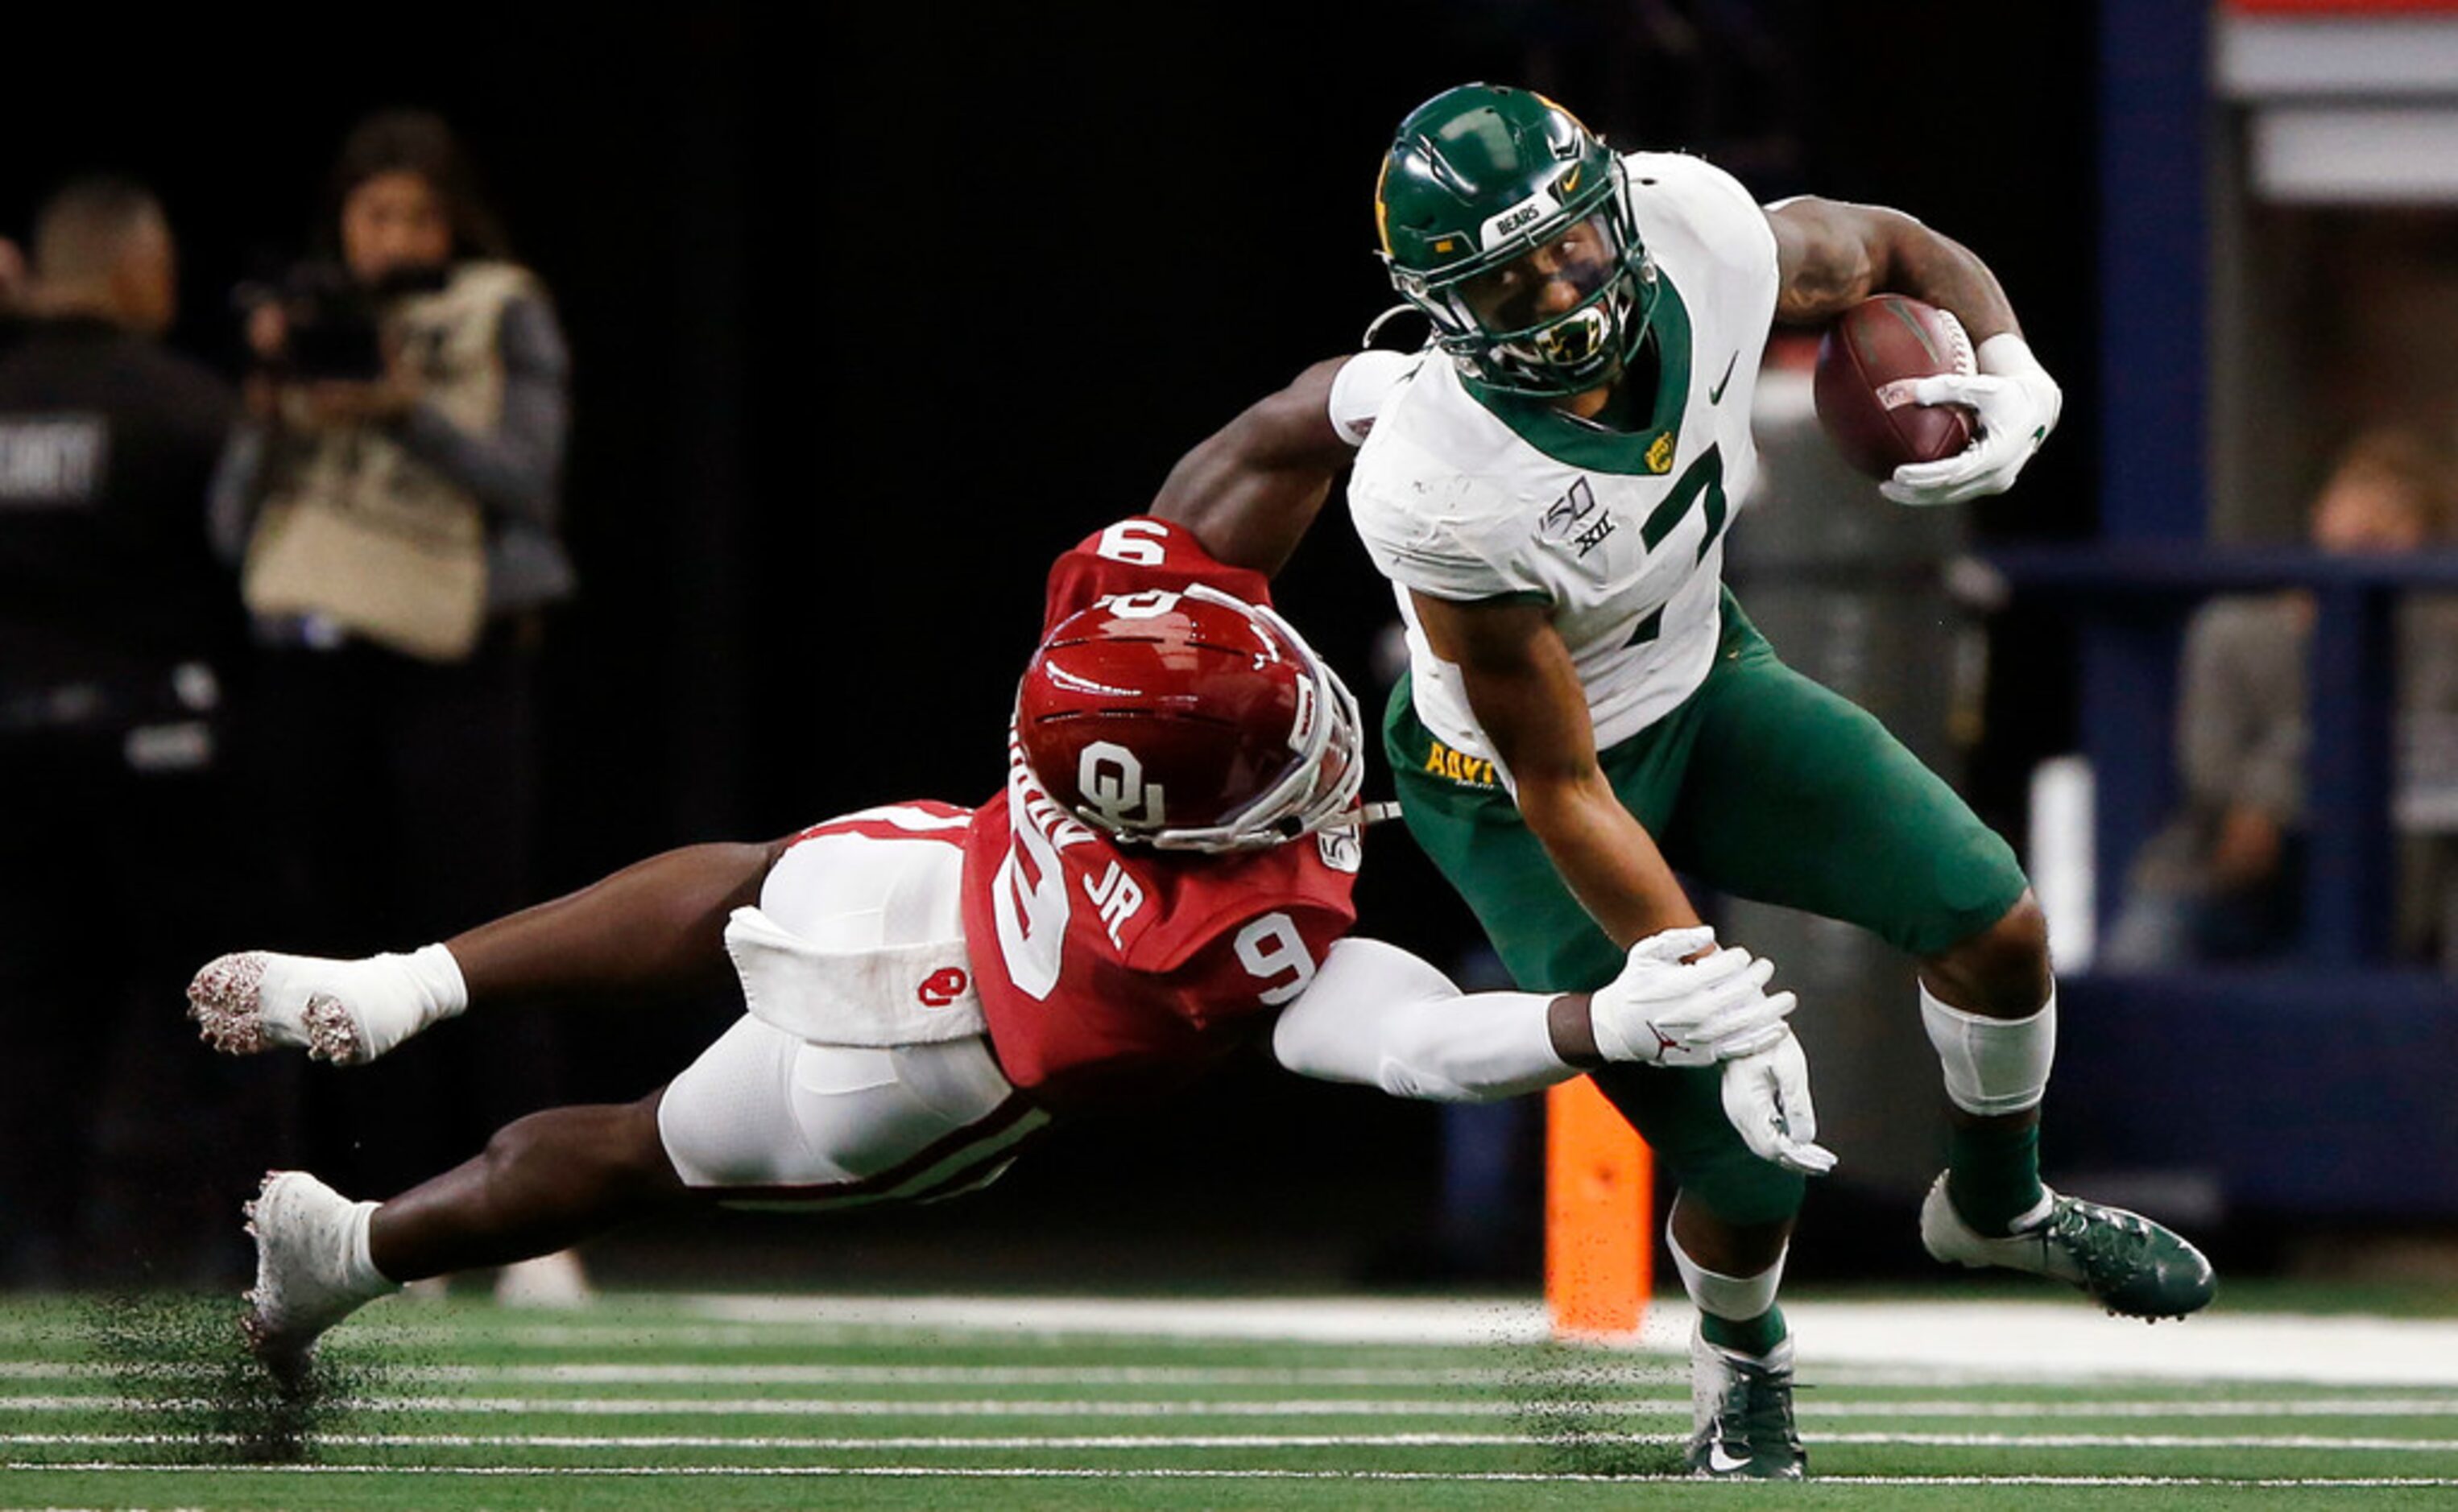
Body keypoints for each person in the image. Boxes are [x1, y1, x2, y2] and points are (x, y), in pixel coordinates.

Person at [1157, 83, 2215, 1480]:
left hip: (1705, 673)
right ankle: (1742, 1368)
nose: (1556, 294)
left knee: (1991, 919)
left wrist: (2014, 363)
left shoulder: (1700, 230)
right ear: (1434, 305)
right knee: (1741, 1154)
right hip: (1519, 787)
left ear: (1615, 210)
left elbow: (1894, 250)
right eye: (1506, 279)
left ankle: (1993, 1206)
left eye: (1572, 249)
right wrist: (1688, 968)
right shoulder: (1437, 480)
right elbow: (1556, 773)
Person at [193, 493, 1824, 1390]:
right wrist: (1584, 1026)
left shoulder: (1096, 650)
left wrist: (1354, 404)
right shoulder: (1234, 928)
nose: (1323, 741)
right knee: (618, 1153)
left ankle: (398, 992)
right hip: (922, 1078)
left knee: (760, 877)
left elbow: (1229, 471)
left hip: (928, 886)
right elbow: (1395, 1041)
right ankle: (354, 1246)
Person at [207, 110, 580, 1300]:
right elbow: (228, 530)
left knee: (483, 936)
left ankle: (537, 1219)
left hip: (459, 656)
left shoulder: (496, 309)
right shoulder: (309, 320)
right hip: (321, 665)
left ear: (453, 219)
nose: (398, 237)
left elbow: (528, 482)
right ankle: (399, 1220)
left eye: (420, 213)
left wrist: (406, 410)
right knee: (343, 948)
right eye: (377, 214)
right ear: (343, 224)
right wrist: (272, 402)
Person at [0, 178, 257, 1284]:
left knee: (30, 1000)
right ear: (136, 271)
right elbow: (258, 572)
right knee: (216, 997)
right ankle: (225, 1235)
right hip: (164, 751)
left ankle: (32, 1241)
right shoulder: (194, 407)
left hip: (15, 751)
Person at [2105, 428, 2458, 966]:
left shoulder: (2439, 645)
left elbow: (2415, 759)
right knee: (2140, 954)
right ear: (2322, 510)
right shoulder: (2232, 628)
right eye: (2359, 496)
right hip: (2227, 872)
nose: (2371, 522)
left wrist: (2272, 789)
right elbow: (2209, 773)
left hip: (2381, 882)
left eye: (2398, 510)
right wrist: (2266, 810)